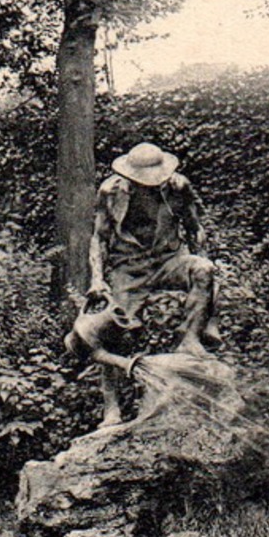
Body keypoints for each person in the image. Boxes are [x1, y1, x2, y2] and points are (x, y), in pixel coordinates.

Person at [86, 142, 221, 427]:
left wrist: (209, 280)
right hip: (129, 268)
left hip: (169, 259)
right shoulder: (110, 192)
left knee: (203, 269)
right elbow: (99, 238)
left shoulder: (179, 187)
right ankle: (111, 406)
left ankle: (191, 339)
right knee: (108, 327)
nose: (148, 187)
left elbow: (196, 229)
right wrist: (97, 279)